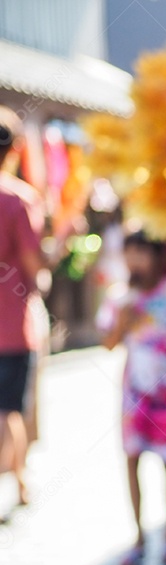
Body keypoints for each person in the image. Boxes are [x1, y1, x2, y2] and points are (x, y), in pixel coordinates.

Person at [99, 232, 166, 565]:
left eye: (142, 253)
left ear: (159, 257)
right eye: (129, 254)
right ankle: (139, 539)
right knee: (132, 459)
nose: (135, 261)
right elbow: (108, 343)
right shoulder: (120, 299)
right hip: (135, 392)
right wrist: (123, 320)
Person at [0, 106, 45, 511]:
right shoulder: (18, 198)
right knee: (9, 409)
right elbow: (34, 264)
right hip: (13, 325)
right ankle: (18, 482)